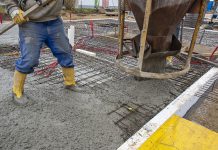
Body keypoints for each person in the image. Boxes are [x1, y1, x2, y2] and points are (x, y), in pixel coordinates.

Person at [1, 0, 79, 105]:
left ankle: (70, 83)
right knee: (29, 59)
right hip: (30, 21)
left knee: (65, 52)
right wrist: (14, 10)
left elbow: (70, 4)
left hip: (54, 21)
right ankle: (17, 91)